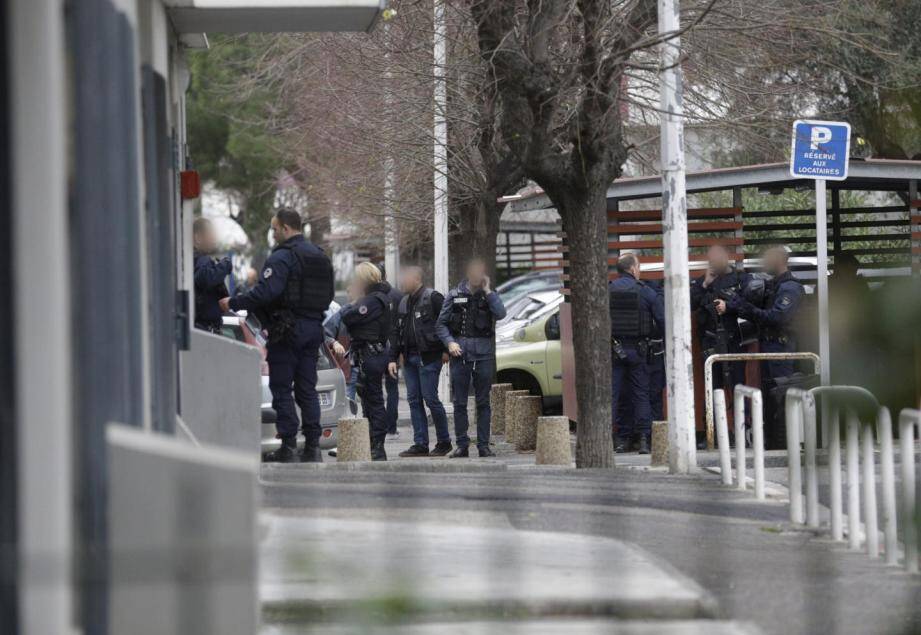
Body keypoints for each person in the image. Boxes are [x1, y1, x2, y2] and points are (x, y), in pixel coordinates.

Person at [219, 208, 334, 463]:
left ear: (284, 228)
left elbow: (265, 293)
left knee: (281, 387)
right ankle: (313, 447)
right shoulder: (319, 256)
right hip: (313, 328)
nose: (272, 233)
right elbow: (327, 296)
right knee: (307, 388)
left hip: (286, 330)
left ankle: (289, 445)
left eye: (274, 228)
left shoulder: (282, 257)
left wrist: (233, 302)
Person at [727, 246, 804, 447]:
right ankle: (771, 440)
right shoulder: (773, 285)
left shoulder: (790, 287)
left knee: (780, 396)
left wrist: (747, 309)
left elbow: (778, 317)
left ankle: (783, 442)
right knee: (769, 396)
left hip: (781, 348)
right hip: (768, 346)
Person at [436, 257, 506, 458]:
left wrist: (489, 291)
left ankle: (483, 445)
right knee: (459, 402)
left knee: (483, 402)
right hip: (461, 355)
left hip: (484, 355)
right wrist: (450, 342)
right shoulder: (454, 294)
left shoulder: (490, 295)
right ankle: (462, 444)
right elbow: (441, 325)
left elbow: (501, 313)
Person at [388, 266, 452, 457]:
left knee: (430, 399)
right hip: (409, 359)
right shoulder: (403, 302)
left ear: (416, 278)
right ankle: (420, 444)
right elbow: (397, 332)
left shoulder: (433, 297)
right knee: (414, 400)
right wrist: (393, 357)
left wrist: (446, 349)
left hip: (430, 357)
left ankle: (444, 441)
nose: (401, 282)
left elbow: (446, 324)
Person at [610, 253, 665, 454]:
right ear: (633, 269)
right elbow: (661, 319)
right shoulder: (645, 292)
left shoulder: (608, 290)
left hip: (614, 350)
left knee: (615, 395)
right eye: (638, 266)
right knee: (641, 394)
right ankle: (644, 440)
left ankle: (621, 440)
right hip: (639, 350)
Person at [340, 262, 395, 461]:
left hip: (371, 355)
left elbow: (348, 317)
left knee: (374, 400)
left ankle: (378, 445)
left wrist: (355, 303)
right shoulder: (378, 298)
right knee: (369, 400)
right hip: (369, 354)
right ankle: (373, 442)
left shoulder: (373, 300)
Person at [690, 245, 752, 394]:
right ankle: (712, 418)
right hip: (711, 343)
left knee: (738, 388)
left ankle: (742, 417)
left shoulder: (741, 279)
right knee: (712, 388)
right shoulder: (703, 281)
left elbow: (750, 306)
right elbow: (690, 304)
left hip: (735, 341)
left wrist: (728, 307)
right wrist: (705, 284)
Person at [324, 279, 362, 402]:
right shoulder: (342, 313)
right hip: (349, 367)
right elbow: (324, 334)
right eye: (349, 292)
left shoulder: (372, 310)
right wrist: (334, 343)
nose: (351, 294)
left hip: (367, 366)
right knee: (347, 404)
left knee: (370, 406)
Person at [192, 217, 232, 334]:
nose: (214, 238)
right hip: (205, 329)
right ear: (198, 238)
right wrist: (224, 265)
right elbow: (204, 278)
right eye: (211, 234)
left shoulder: (195, 259)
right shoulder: (202, 259)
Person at [378, 264, 404, 439]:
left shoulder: (370, 296)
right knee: (392, 387)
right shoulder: (397, 295)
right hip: (393, 347)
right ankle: (391, 427)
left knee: (374, 389)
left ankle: (378, 426)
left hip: (374, 347)